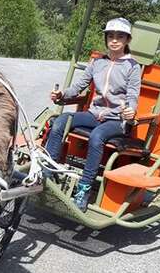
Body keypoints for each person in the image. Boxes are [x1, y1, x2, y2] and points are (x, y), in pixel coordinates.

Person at [45, 17, 141, 211]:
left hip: (116, 120)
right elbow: (80, 85)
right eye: (111, 36)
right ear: (106, 38)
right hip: (93, 113)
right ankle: (50, 170)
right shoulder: (98, 62)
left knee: (97, 137)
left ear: (127, 40)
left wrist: (130, 111)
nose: (114, 40)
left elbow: (132, 95)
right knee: (60, 121)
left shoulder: (132, 66)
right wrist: (62, 93)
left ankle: (84, 188)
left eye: (120, 36)